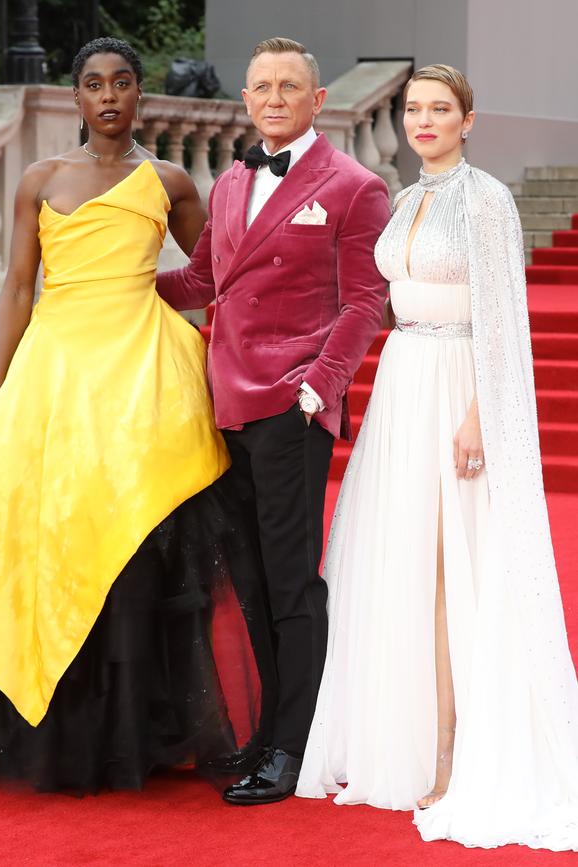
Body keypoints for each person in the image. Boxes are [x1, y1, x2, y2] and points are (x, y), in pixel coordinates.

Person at [0, 37, 275, 792]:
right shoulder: (39, 178)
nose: (108, 96)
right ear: (78, 97)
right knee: (35, 531)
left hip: (143, 373)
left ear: (138, 94)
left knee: (135, 537)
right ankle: (32, 715)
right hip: (53, 371)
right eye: (93, 84)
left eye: (121, 82)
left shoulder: (172, 180)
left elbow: (218, 275)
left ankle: (139, 726)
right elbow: (17, 287)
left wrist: (267, 339)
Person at [296, 64, 578, 850]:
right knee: (405, 559)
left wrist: (480, 415)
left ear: (468, 119)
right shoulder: (409, 196)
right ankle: (410, 736)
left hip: (460, 380)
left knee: (457, 568)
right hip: (403, 384)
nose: (422, 120)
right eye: (414, 108)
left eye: (438, 109)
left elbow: (502, 317)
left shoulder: (486, 199)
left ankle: (456, 753)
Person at [156, 37, 389, 805]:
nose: (276, 97)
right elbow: (203, 278)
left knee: (291, 582)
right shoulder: (228, 183)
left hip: (293, 406)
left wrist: (319, 386)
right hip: (224, 405)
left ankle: (295, 742)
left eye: (291, 86)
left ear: (318, 101)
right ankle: (269, 729)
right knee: (248, 577)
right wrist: (110, 280)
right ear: (247, 101)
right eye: (262, 87)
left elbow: (364, 302)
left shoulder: (354, 186)